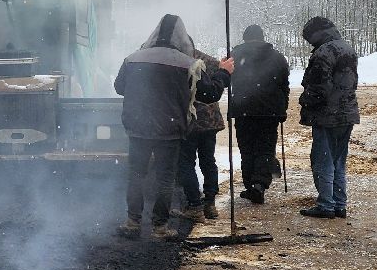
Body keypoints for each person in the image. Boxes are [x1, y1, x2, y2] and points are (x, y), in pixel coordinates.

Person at [113, 15, 233, 239]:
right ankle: (160, 227)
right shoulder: (187, 63)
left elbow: (120, 87)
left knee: (136, 174)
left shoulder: (133, 58)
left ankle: (132, 221)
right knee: (165, 178)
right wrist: (224, 73)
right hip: (169, 130)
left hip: (138, 127)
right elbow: (210, 93)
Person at [298, 17, 359, 219]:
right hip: (347, 113)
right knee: (338, 160)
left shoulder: (324, 53)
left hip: (326, 116)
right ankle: (340, 204)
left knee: (323, 161)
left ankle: (326, 204)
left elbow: (319, 89)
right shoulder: (347, 49)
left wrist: (304, 100)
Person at [229, 24, 292, 204]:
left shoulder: (235, 56)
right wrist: (282, 109)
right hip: (269, 112)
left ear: (245, 38)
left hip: (243, 110)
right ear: (262, 38)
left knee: (247, 149)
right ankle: (259, 184)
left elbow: (227, 78)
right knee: (265, 148)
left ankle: (251, 185)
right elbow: (284, 86)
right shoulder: (278, 58)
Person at [176, 49, 226, 221]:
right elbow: (220, 77)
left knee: (186, 163)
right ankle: (210, 203)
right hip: (210, 119)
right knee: (208, 161)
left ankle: (194, 205)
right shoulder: (207, 60)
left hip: (190, 120)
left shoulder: (178, 61)